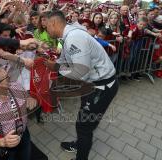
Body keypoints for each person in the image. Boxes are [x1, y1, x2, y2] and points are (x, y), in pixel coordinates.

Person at [44, 11, 119, 160]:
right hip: (92, 84)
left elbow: (80, 73)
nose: (46, 30)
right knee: (84, 119)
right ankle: (80, 143)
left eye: (46, 27)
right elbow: (65, 59)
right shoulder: (67, 35)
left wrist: (57, 68)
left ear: (53, 23)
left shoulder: (74, 37)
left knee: (84, 126)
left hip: (102, 86)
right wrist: (54, 64)